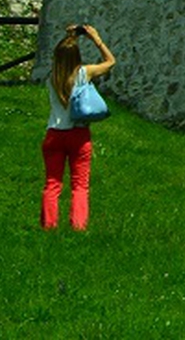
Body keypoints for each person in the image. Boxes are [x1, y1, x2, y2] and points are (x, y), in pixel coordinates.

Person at [43, 24, 116, 231]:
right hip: (78, 134)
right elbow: (111, 62)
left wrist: (70, 36)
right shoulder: (84, 73)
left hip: (54, 134)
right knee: (80, 185)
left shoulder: (52, 77)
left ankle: (49, 226)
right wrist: (95, 37)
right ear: (77, 56)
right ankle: (78, 226)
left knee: (52, 184)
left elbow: (64, 53)